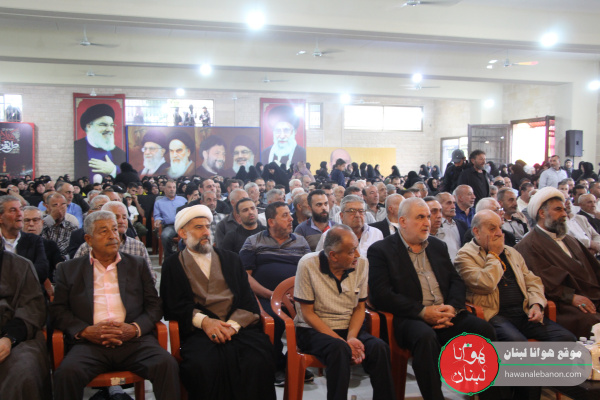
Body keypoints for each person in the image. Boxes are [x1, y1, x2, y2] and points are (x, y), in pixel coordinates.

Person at [367, 197, 497, 400]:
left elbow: (455, 280)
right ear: (403, 221)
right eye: (420, 217)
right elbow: (381, 294)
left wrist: (452, 308)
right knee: (426, 338)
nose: (427, 222)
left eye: (428, 216)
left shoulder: (437, 246)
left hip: (446, 313)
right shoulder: (381, 250)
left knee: (484, 330)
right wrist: (422, 312)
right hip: (410, 318)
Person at [51, 211, 180, 399]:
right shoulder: (69, 269)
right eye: (104, 231)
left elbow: (154, 306)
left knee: (166, 365)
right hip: (90, 343)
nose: (113, 236)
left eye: (114, 229)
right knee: (66, 374)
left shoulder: (137, 265)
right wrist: (85, 331)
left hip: (133, 341)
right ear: (88, 239)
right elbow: (58, 310)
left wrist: (134, 329)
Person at [160, 205, 276, 399]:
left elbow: (247, 299)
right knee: (203, 365)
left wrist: (232, 327)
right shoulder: (172, 265)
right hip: (199, 332)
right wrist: (205, 322)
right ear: (182, 233)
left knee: (257, 359)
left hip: (238, 328)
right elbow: (173, 305)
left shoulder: (231, 259)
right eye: (199, 227)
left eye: (207, 226)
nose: (206, 232)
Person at [294, 225, 395, 400]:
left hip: (348, 328)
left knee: (379, 348)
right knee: (339, 350)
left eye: (356, 248)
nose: (357, 255)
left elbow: (359, 308)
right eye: (351, 252)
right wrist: (343, 342)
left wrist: (351, 338)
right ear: (333, 255)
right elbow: (308, 314)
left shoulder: (362, 264)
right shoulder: (308, 264)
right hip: (313, 330)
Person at [455, 210, 576, 341]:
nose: (499, 233)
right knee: (518, 343)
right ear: (477, 232)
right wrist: (494, 254)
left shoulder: (511, 252)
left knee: (567, 339)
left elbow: (533, 281)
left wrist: (536, 304)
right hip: (495, 315)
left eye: (500, 227)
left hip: (524, 312)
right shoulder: (465, 256)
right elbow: (487, 284)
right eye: (492, 229)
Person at [239, 201, 311, 384]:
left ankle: (292, 362)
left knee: (311, 318)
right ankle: (276, 366)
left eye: (290, 215)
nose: (291, 219)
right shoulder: (254, 241)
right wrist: (270, 294)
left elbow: (310, 272)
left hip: (295, 296)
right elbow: (245, 276)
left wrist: (298, 293)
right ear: (271, 221)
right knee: (275, 320)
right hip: (264, 296)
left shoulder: (300, 241)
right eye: (285, 215)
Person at [515, 187, 600, 337]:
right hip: (564, 304)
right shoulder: (528, 245)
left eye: (564, 210)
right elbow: (543, 282)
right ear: (542, 213)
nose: (564, 214)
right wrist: (571, 297)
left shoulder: (569, 239)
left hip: (592, 294)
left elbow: (594, 267)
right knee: (592, 321)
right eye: (558, 210)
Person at [0, 248, 51, 400]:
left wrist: (8, 338)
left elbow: (33, 310)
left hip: (17, 338)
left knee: (22, 371)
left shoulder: (21, 266)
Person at [74, 201, 154, 281]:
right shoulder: (88, 247)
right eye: (116, 217)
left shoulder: (138, 246)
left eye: (124, 217)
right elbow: (74, 277)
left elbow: (150, 278)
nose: (121, 221)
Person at [0, 195, 49, 284]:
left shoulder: (34, 240)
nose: (19, 214)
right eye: (13, 210)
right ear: (1, 218)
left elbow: (42, 271)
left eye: (21, 209)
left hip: (27, 290)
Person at [317, 195, 383, 257]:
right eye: (352, 211)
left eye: (361, 211)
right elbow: (320, 260)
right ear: (342, 215)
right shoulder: (329, 236)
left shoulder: (376, 233)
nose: (357, 215)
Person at [74, 103, 126, 181]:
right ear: (89, 126)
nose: (109, 129)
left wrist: (113, 170)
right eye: (103, 125)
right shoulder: (76, 147)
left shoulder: (120, 153)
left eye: (111, 125)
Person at [153, 180, 187, 260]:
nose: (172, 189)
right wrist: (158, 220)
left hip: (184, 225)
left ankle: (186, 258)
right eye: (169, 187)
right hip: (170, 226)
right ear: (164, 189)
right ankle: (170, 258)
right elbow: (157, 216)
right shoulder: (159, 202)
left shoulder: (183, 200)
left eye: (174, 187)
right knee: (165, 236)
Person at [41, 193, 78, 258]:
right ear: (47, 207)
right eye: (55, 205)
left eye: (63, 204)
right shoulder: (39, 222)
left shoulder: (72, 228)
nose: (59, 208)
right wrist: (52, 218)